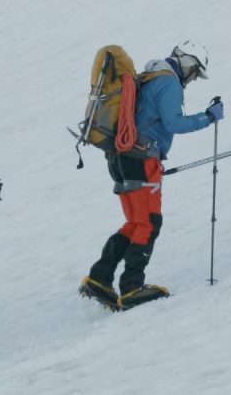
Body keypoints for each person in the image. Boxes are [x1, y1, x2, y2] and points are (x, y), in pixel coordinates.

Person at [82, 43, 218, 308]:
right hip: (142, 159)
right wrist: (208, 117)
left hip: (121, 157)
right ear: (188, 63)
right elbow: (173, 123)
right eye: (195, 73)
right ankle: (132, 288)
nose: (193, 79)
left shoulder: (150, 76)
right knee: (149, 223)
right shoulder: (169, 83)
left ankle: (99, 277)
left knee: (135, 222)